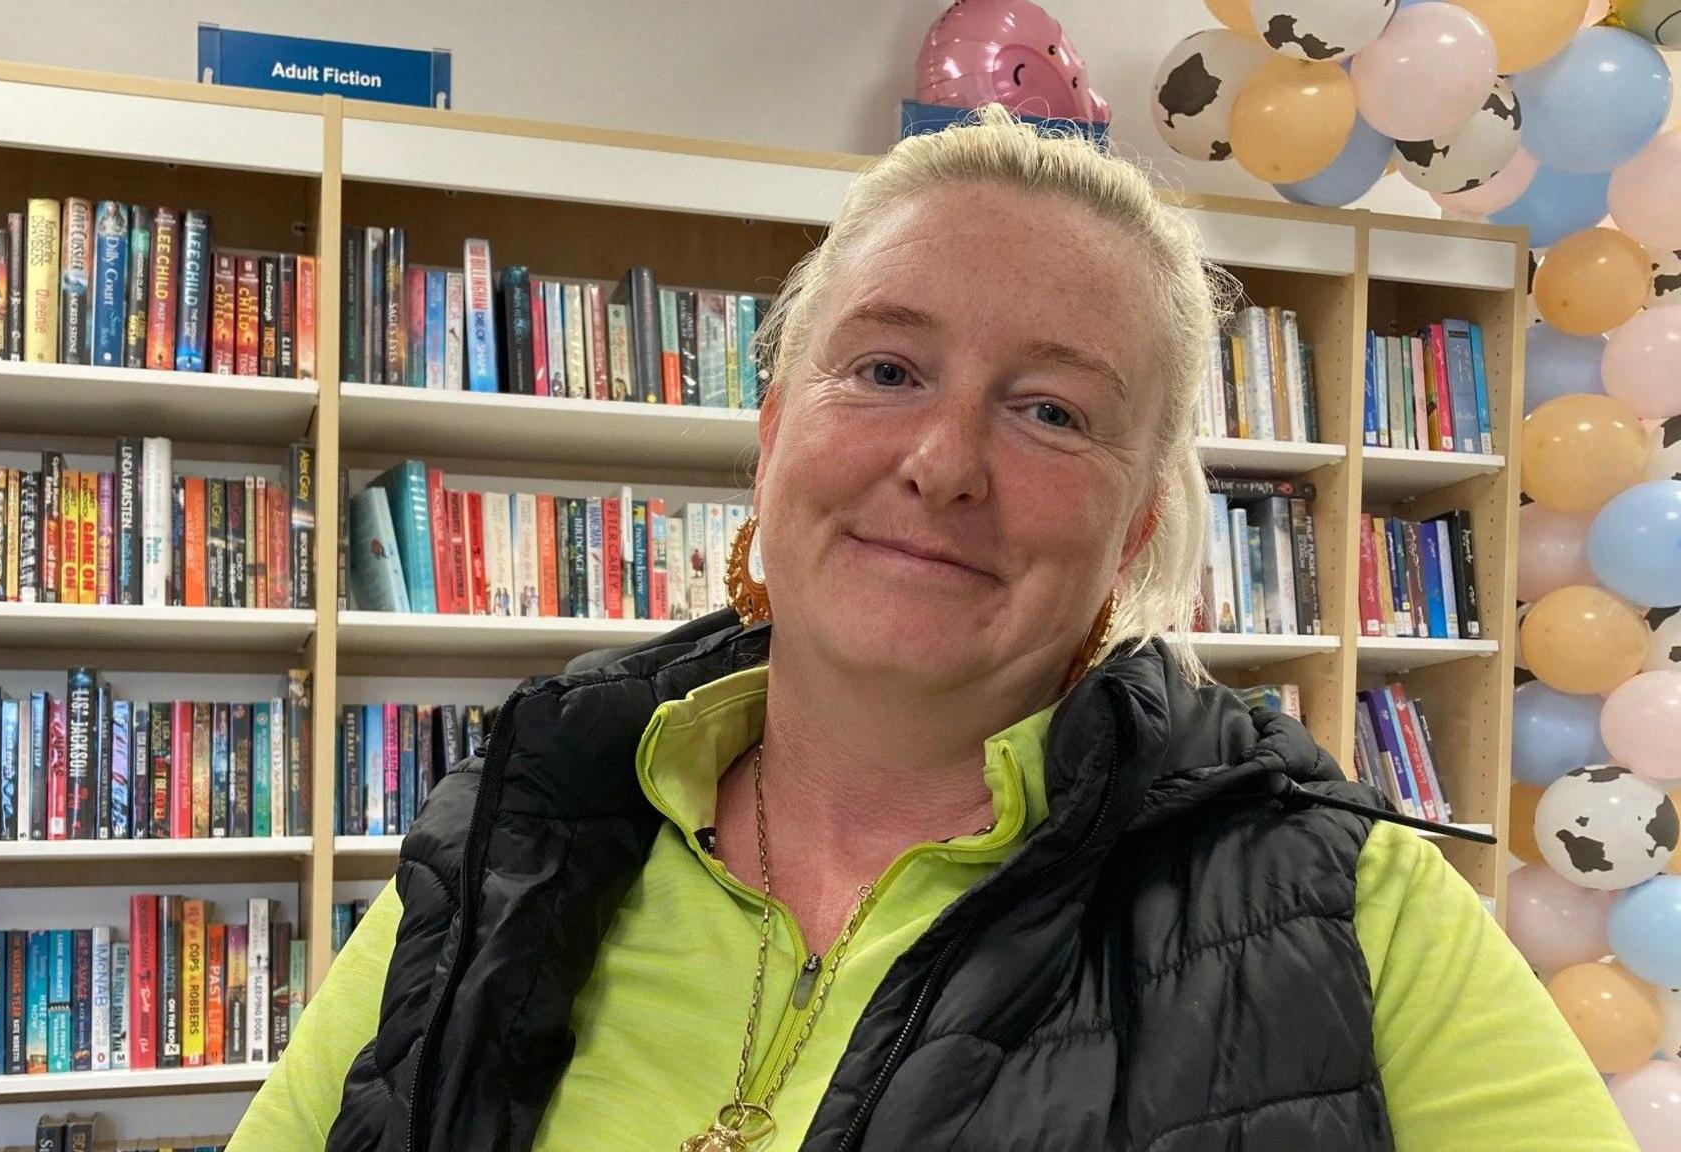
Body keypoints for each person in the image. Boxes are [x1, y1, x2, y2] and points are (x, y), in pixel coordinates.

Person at [229, 107, 1633, 1151]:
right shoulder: (519, 837)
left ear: (1136, 528)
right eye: (887, 368)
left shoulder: (1348, 912)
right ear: (773, 441)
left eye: (1052, 412)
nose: (945, 463)